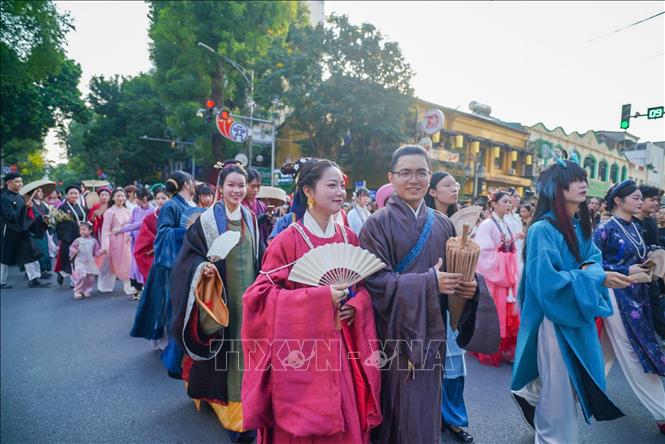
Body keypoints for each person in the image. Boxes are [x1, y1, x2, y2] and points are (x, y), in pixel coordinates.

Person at [242, 158, 381, 444]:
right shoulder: (287, 240)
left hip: (342, 347)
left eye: (341, 186)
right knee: (301, 427)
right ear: (308, 191)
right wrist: (319, 300)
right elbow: (258, 297)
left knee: (344, 419)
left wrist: (355, 307)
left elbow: (364, 289)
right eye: (331, 185)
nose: (340, 192)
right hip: (300, 353)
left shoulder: (350, 237)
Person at [359, 145, 480, 444]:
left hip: (432, 330)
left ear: (429, 176)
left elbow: (456, 275)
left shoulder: (442, 224)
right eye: (405, 173)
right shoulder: (376, 225)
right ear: (391, 177)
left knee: (426, 404)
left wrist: (469, 287)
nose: (414, 180)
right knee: (395, 405)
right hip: (393, 331)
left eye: (421, 173)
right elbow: (374, 282)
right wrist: (429, 282)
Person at [511, 159, 627, 444]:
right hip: (554, 318)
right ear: (555, 188)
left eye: (583, 178)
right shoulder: (542, 229)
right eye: (574, 179)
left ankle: (530, 391)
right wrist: (592, 277)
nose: (582, 184)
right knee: (560, 392)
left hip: (574, 312)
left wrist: (594, 273)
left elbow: (594, 260)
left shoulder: (578, 225)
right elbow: (547, 284)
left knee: (571, 385)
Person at [168, 161, 260, 442]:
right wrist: (201, 269)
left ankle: (247, 407)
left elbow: (259, 256)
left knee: (247, 350)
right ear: (220, 188)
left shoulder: (250, 218)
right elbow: (188, 258)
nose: (237, 190)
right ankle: (233, 414)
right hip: (220, 297)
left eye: (241, 185)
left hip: (248, 297)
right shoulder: (206, 221)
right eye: (231, 185)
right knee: (226, 350)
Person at [593, 180, 665, 434]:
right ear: (618, 201)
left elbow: (638, 260)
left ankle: (571, 392)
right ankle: (662, 411)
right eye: (634, 197)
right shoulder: (604, 229)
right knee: (636, 352)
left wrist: (652, 265)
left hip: (638, 294)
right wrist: (625, 270)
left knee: (605, 351)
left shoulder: (636, 227)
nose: (639, 200)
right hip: (616, 296)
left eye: (639, 197)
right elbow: (590, 267)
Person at [425, 171, 474, 443]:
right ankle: (429, 415)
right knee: (426, 364)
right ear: (432, 191)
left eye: (455, 184)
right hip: (427, 297)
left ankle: (454, 420)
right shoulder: (421, 222)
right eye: (447, 184)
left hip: (453, 298)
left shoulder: (461, 224)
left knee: (454, 364)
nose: (454, 188)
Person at [130, 171, 195, 369]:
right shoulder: (171, 205)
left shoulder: (189, 206)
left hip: (185, 259)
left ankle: (177, 345)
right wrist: (188, 229)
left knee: (179, 305)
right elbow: (163, 233)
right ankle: (168, 344)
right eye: (191, 181)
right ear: (185, 184)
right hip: (171, 262)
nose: (193, 184)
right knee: (169, 305)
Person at [471, 189, 520, 366]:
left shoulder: (505, 223)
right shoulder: (487, 225)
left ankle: (502, 348)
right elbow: (483, 252)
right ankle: (486, 347)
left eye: (509, 202)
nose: (509, 205)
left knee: (503, 313)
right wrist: (505, 258)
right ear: (494, 204)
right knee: (491, 313)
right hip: (493, 277)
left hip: (504, 275)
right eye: (505, 201)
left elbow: (506, 245)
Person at [1, 172, 50, 288]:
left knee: (30, 252)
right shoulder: (3, 197)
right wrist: (24, 207)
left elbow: (27, 215)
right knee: (4, 256)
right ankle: (1, 281)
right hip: (9, 230)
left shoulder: (20, 197)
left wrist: (40, 219)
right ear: (9, 182)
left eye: (21, 181)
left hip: (23, 229)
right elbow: (9, 216)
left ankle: (34, 278)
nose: (20, 184)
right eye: (17, 181)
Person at [120, 187, 155, 298]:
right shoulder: (136, 209)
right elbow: (132, 221)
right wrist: (130, 234)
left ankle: (145, 288)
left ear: (144, 198)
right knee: (134, 264)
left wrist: (123, 229)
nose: (136, 201)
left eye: (137, 198)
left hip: (146, 241)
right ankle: (136, 288)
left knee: (144, 264)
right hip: (135, 240)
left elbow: (140, 224)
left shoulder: (152, 211)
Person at [97, 188, 133, 295]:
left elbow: (132, 225)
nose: (120, 198)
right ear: (113, 198)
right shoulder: (109, 212)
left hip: (126, 240)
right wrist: (105, 245)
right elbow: (105, 229)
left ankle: (128, 286)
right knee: (110, 264)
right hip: (114, 241)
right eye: (118, 196)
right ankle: (105, 286)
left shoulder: (127, 211)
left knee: (127, 263)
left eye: (122, 196)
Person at [133, 187, 168, 284]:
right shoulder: (149, 218)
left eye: (164, 198)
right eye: (157, 198)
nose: (160, 201)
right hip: (155, 255)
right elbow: (143, 241)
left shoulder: (177, 215)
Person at [55, 184, 87, 287]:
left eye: (76, 193)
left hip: (81, 235)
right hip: (69, 236)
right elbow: (58, 224)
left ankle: (62, 273)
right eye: (71, 193)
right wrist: (73, 224)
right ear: (67, 195)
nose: (73, 195)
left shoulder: (81, 207)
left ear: (79, 194)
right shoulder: (62, 207)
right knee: (72, 258)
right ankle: (75, 282)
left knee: (79, 258)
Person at [242, 168, 276, 249]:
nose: (256, 190)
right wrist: (259, 219)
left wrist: (270, 221)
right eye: (252, 186)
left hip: (260, 244)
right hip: (245, 245)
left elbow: (267, 229)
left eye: (258, 186)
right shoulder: (239, 205)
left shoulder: (261, 205)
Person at [69, 221, 101, 299]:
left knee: (90, 278)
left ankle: (86, 290)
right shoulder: (78, 240)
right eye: (80, 230)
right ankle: (78, 290)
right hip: (80, 261)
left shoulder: (94, 241)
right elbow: (71, 247)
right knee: (82, 276)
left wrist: (102, 252)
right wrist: (74, 251)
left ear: (90, 231)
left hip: (90, 262)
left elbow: (96, 251)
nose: (82, 231)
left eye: (84, 229)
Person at [29, 186, 53, 278]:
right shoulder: (31, 204)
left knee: (45, 250)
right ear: (34, 193)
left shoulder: (43, 204)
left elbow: (47, 213)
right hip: (35, 230)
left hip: (43, 229)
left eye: (42, 192)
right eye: (38, 191)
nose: (41, 193)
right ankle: (39, 271)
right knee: (38, 250)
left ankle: (44, 270)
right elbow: (31, 216)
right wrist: (41, 217)